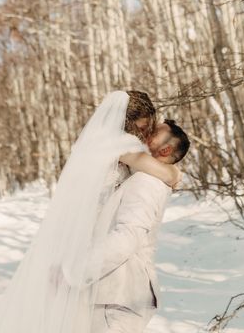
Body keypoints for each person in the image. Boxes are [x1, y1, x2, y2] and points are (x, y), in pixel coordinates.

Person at [0, 90, 182, 333]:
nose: (147, 134)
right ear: (132, 122)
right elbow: (156, 173)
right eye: (147, 125)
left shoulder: (106, 149)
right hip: (101, 282)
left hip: (105, 283)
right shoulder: (120, 148)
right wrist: (173, 174)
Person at [89, 120, 191, 333]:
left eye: (153, 134)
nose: (145, 135)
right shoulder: (140, 176)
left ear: (165, 149)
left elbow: (126, 237)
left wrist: (76, 271)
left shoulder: (147, 182)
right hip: (114, 294)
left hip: (120, 294)